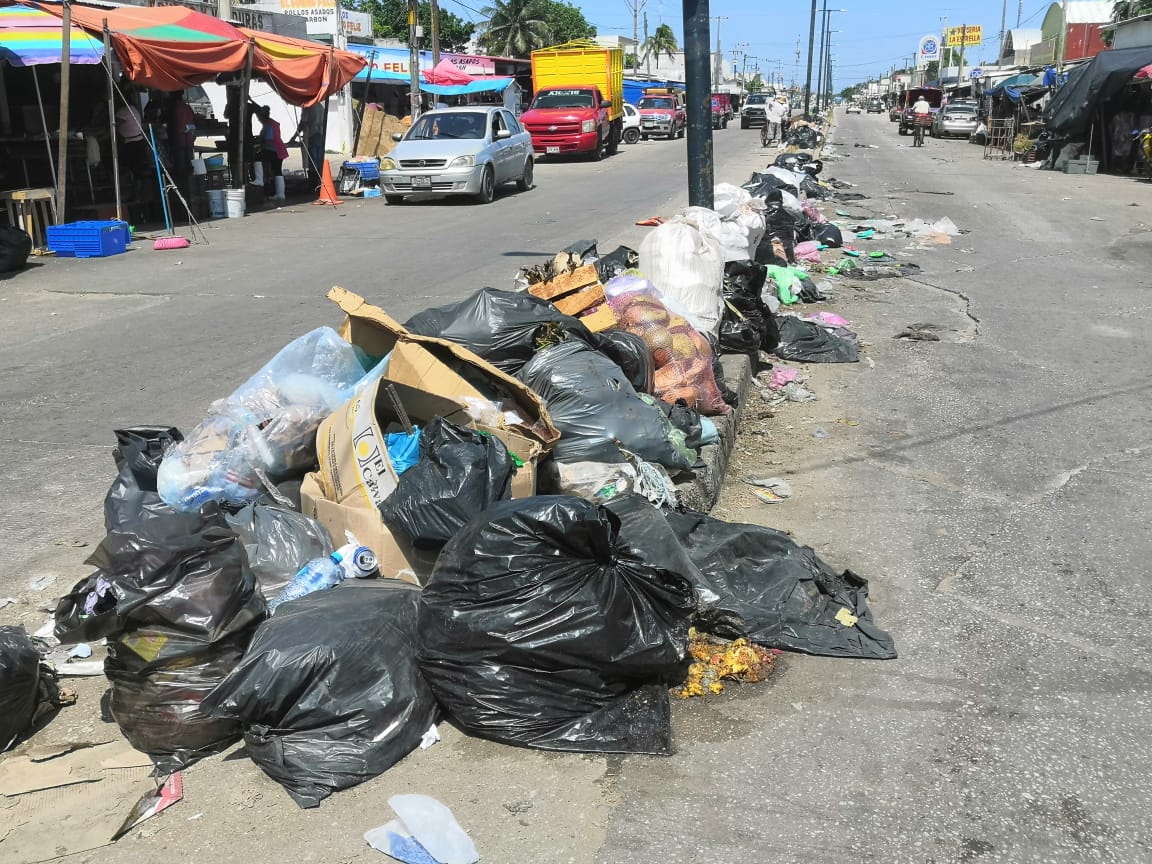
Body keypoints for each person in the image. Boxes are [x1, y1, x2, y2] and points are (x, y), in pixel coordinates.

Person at [254, 105, 289, 198]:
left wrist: (260, 146)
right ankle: (281, 194)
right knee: (277, 171)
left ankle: (259, 180)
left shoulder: (268, 125)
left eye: (258, 117)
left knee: (256, 157)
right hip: (279, 149)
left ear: (262, 117)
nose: (258, 120)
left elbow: (269, 139)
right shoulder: (272, 123)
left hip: (273, 149)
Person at [166, 92, 198, 178]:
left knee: (180, 165)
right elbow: (193, 121)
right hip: (189, 138)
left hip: (178, 138)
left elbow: (170, 124)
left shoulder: (173, 109)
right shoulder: (187, 107)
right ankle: (191, 183)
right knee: (189, 163)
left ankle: (183, 186)